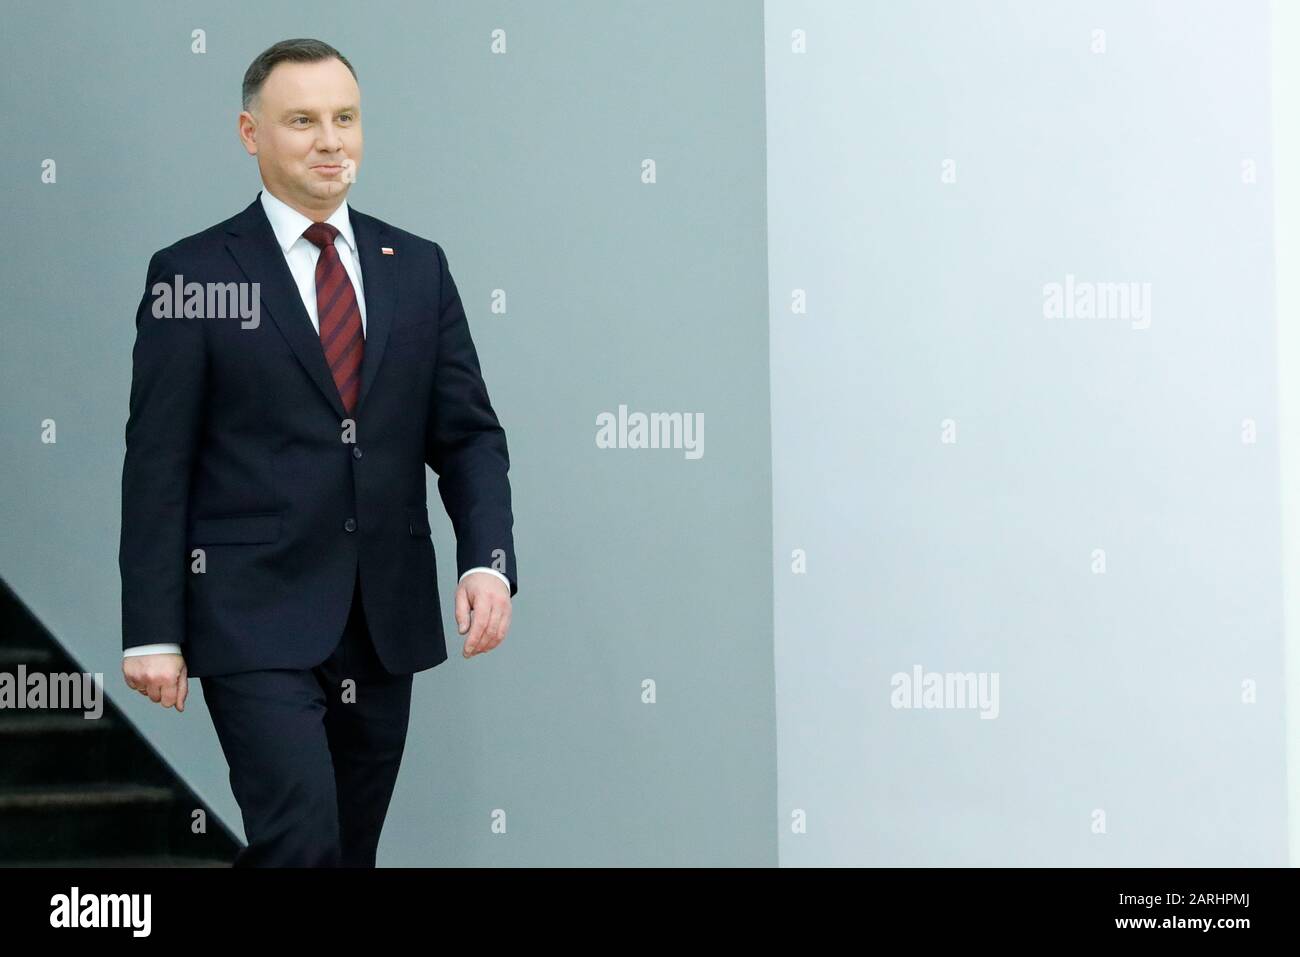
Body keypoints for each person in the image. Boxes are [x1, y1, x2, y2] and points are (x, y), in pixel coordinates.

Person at [118, 37, 518, 867]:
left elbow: (469, 433)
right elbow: (158, 463)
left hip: (383, 618)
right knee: (300, 841)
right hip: (248, 614)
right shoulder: (192, 274)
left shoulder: (418, 267)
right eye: (302, 120)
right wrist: (151, 628)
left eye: (345, 118)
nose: (331, 141)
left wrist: (486, 559)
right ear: (249, 132)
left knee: (345, 850)